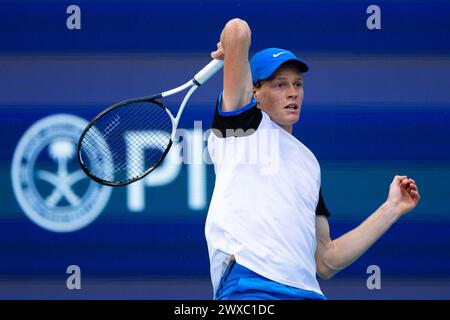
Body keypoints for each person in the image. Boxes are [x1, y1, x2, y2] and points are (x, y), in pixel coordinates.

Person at [205, 18, 420, 300]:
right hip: (251, 289)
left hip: (309, 294)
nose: (292, 92)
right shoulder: (241, 129)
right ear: (254, 93)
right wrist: (231, 49)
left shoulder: (308, 162)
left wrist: (391, 208)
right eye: (280, 85)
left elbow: (327, 260)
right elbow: (237, 29)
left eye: (297, 84)